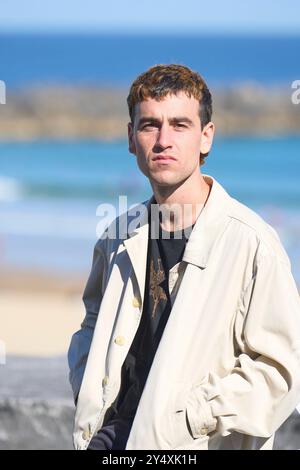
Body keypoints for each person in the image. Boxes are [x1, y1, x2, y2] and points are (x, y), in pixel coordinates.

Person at [68, 64, 300, 450]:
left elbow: (281, 371)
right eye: (149, 126)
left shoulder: (253, 243)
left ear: (206, 137)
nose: (163, 140)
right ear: (131, 138)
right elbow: (92, 324)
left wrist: (190, 417)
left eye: (179, 125)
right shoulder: (117, 235)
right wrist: (88, 390)